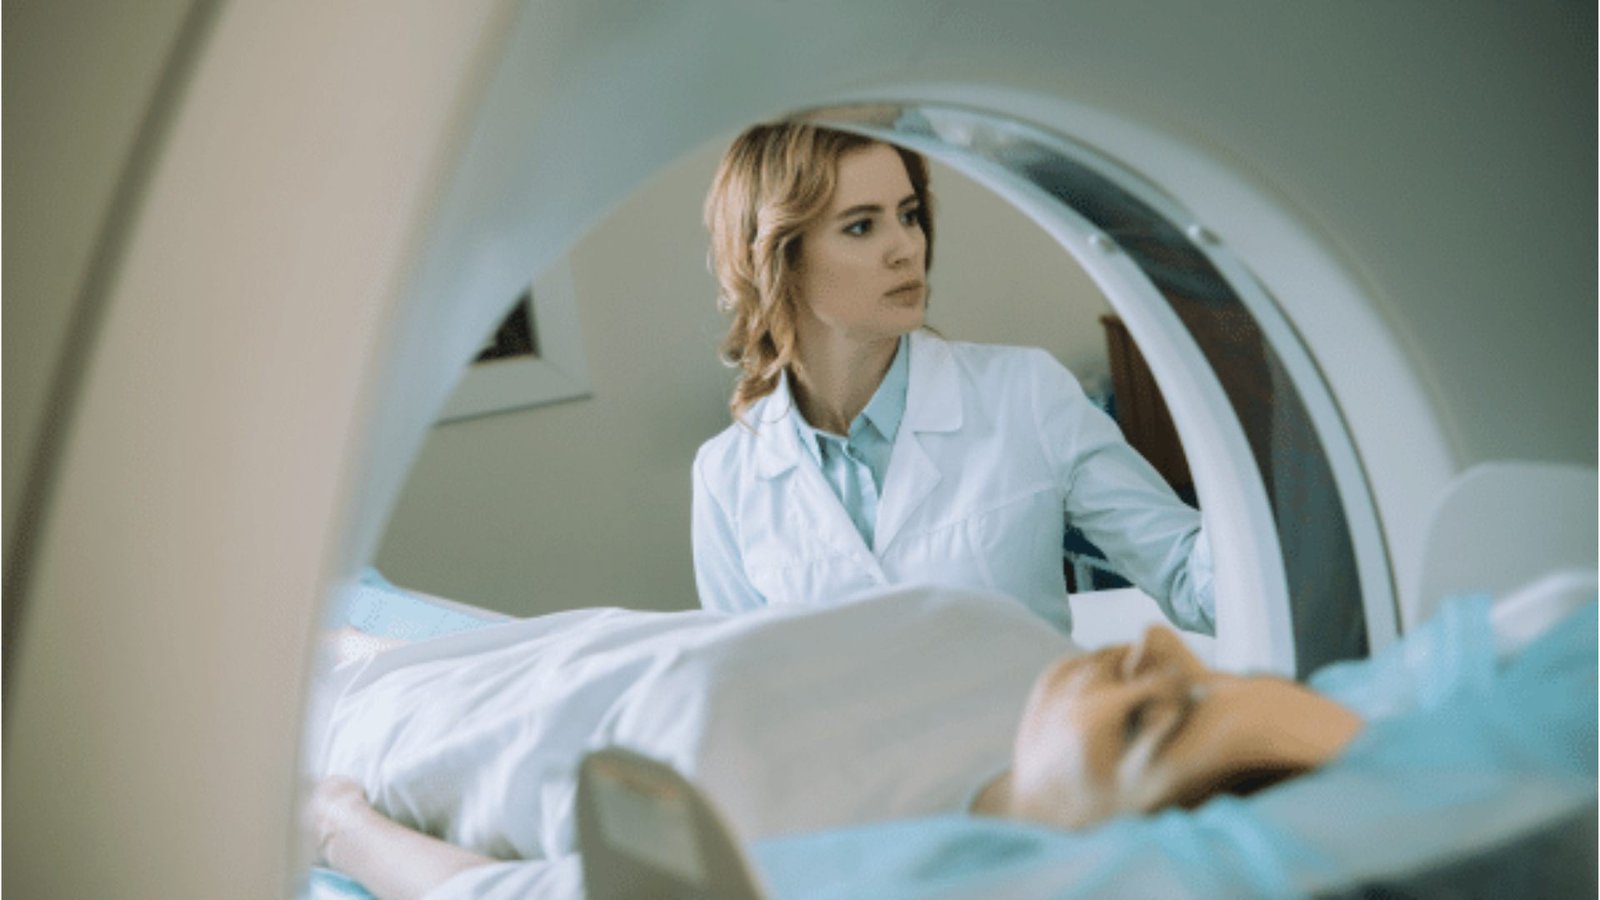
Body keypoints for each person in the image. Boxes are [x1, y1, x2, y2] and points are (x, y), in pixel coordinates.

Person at [308, 585, 1359, 899]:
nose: (1155, 649)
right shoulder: (1011, 643)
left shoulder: (797, 872)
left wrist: (336, 826)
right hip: (557, 638)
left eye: (1150, 721)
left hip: (410, 728)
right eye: (1203, 673)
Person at [692, 122, 1213, 636]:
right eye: (860, 226)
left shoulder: (1025, 394)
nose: (906, 248)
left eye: (909, 215)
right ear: (779, 259)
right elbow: (746, 691)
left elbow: (1193, 584)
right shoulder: (726, 477)